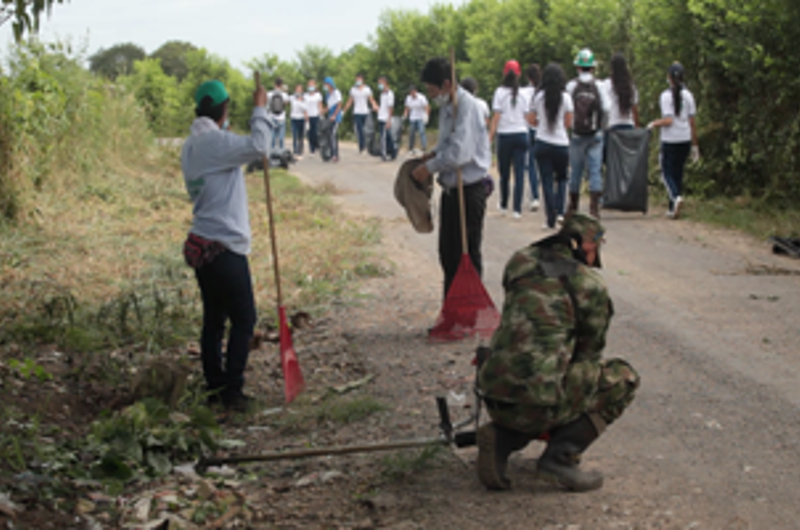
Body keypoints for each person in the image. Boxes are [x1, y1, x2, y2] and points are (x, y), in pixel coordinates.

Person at [476, 212, 640, 492]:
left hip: (493, 393)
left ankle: (503, 438)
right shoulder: (590, 285)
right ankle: (560, 457)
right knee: (623, 378)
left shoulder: (519, 261)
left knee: (534, 374)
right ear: (587, 245)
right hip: (538, 402)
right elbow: (589, 353)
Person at [181, 79, 271, 412]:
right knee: (244, 319)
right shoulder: (215, 143)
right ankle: (232, 390)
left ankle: (214, 385)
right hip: (225, 247)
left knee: (214, 320)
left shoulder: (192, 145)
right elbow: (260, 145)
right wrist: (260, 107)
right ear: (223, 110)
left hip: (203, 246)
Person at [412, 57, 492, 299]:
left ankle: (471, 311)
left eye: (432, 89)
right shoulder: (448, 107)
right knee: (448, 254)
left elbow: (460, 153)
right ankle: (452, 311)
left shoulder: (468, 107)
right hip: (450, 189)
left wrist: (430, 167)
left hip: (469, 190)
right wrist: (432, 154)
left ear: (446, 84)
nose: (431, 94)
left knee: (466, 253)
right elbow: (448, 143)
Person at [647, 62, 699, 219]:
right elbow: (692, 123)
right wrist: (695, 145)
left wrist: (653, 123)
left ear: (669, 77)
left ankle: (675, 197)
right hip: (685, 138)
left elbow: (668, 120)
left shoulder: (666, 96)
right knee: (678, 173)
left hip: (670, 139)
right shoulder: (689, 95)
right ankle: (672, 207)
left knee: (666, 173)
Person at [529, 63, 573, 230]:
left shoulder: (538, 97)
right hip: (561, 143)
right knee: (562, 179)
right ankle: (560, 211)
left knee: (546, 180)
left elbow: (531, 120)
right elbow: (568, 122)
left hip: (542, 142)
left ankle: (550, 218)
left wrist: (541, 123)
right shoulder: (566, 98)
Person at [566, 49, 609, 218]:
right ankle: (594, 209)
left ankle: (573, 207)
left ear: (578, 66)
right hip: (595, 133)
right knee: (595, 170)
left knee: (575, 169)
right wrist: (602, 125)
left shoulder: (571, 86)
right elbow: (606, 108)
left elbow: (567, 109)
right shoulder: (600, 85)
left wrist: (569, 126)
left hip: (577, 134)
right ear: (592, 68)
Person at [489, 60, 531, 220]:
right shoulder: (524, 94)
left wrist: (490, 136)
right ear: (519, 74)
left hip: (505, 135)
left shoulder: (499, 92)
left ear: (504, 73)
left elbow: (496, 117)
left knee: (504, 172)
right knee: (519, 173)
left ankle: (504, 204)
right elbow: (527, 116)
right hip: (521, 134)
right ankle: (517, 209)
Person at [520, 64, 542, 213]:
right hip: (544, 132)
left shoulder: (523, 92)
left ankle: (535, 197)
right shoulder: (544, 91)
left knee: (531, 165)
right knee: (544, 165)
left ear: (527, 77)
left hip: (529, 129)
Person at [341, 74, 377, 154]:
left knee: (366, 131)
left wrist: (375, 106)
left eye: (359, 79)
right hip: (357, 112)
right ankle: (362, 147)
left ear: (362, 80)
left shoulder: (367, 89)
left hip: (365, 112)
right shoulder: (353, 90)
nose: (357, 81)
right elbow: (350, 101)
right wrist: (343, 111)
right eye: (356, 80)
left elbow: (371, 99)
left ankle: (368, 146)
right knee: (359, 130)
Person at [373, 76, 397, 161]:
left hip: (385, 118)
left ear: (385, 83)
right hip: (381, 116)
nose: (379, 85)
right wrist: (377, 109)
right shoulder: (382, 94)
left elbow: (390, 108)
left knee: (383, 137)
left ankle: (384, 153)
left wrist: (389, 120)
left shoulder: (389, 94)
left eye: (380, 83)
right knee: (387, 137)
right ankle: (393, 153)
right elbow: (383, 107)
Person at [403, 85, 430, 155]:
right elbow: (407, 108)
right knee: (411, 133)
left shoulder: (421, 97)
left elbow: (427, 107)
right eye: (410, 92)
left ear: (415, 91)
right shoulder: (408, 98)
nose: (412, 94)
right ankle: (411, 147)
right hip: (412, 117)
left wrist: (426, 115)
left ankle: (424, 146)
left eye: (413, 92)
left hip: (420, 116)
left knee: (422, 132)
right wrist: (405, 115)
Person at [323, 76, 343, 162]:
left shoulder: (336, 92)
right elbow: (329, 106)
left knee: (333, 135)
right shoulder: (327, 95)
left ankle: (335, 154)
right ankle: (331, 153)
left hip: (336, 118)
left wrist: (334, 115)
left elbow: (339, 105)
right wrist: (323, 110)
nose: (325, 86)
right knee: (329, 135)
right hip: (329, 117)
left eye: (326, 84)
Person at [268, 77, 289, 150]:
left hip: (271, 117)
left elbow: (267, 104)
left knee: (272, 138)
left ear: (274, 84)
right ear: (281, 85)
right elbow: (286, 103)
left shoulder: (269, 94)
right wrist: (285, 92)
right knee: (281, 138)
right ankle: (281, 153)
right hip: (281, 118)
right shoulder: (284, 95)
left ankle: (271, 153)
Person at [305, 79, 323, 156]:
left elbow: (320, 105)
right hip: (308, 117)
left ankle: (317, 145)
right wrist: (305, 115)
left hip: (316, 116)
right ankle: (312, 149)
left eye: (312, 85)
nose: (311, 87)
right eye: (309, 85)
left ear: (315, 86)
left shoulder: (318, 95)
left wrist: (321, 114)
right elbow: (304, 107)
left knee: (316, 133)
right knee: (310, 134)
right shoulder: (305, 96)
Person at [289, 84, 308, 158]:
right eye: (297, 89)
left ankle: (300, 149)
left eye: (300, 90)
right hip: (294, 118)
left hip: (301, 118)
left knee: (301, 135)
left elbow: (305, 108)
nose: (298, 91)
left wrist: (300, 101)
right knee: (294, 134)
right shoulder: (292, 97)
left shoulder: (304, 98)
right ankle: (295, 150)